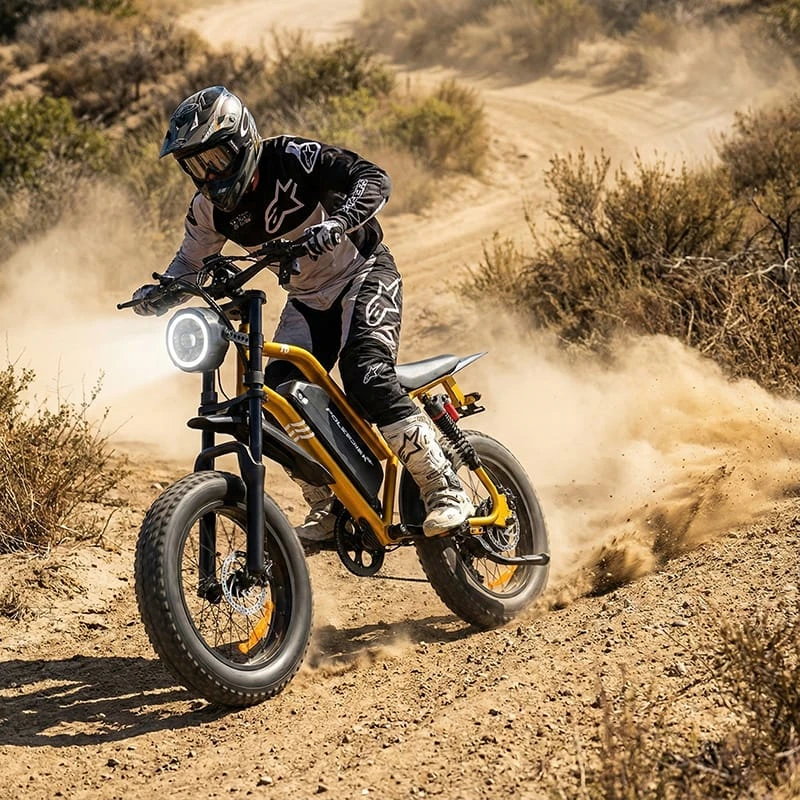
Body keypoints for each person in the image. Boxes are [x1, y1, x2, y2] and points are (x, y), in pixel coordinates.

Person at [132, 85, 473, 543]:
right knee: (271, 403)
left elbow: (373, 178)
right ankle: (329, 503)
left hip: (363, 273)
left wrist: (337, 222)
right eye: (195, 165)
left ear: (242, 142)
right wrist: (161, 294)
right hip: (307, 300)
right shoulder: (208, 210)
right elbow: (188, 264)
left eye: (214, 160)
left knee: (366, 374)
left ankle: (443, 486)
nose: (208, 175)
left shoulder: (293, 156)